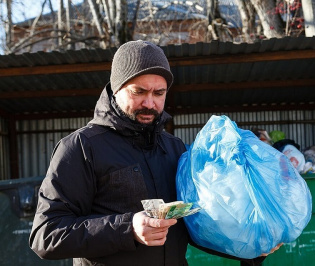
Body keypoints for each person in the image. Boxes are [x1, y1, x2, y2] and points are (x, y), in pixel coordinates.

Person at [29, 40, 281, 266]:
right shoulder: (82, 147)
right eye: (139, 91)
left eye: (159, 93)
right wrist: (128, 229)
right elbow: (46, 234)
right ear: (116, 90)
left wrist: (250, 250)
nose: (150, 103)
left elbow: (192, 226)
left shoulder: (174, 148)